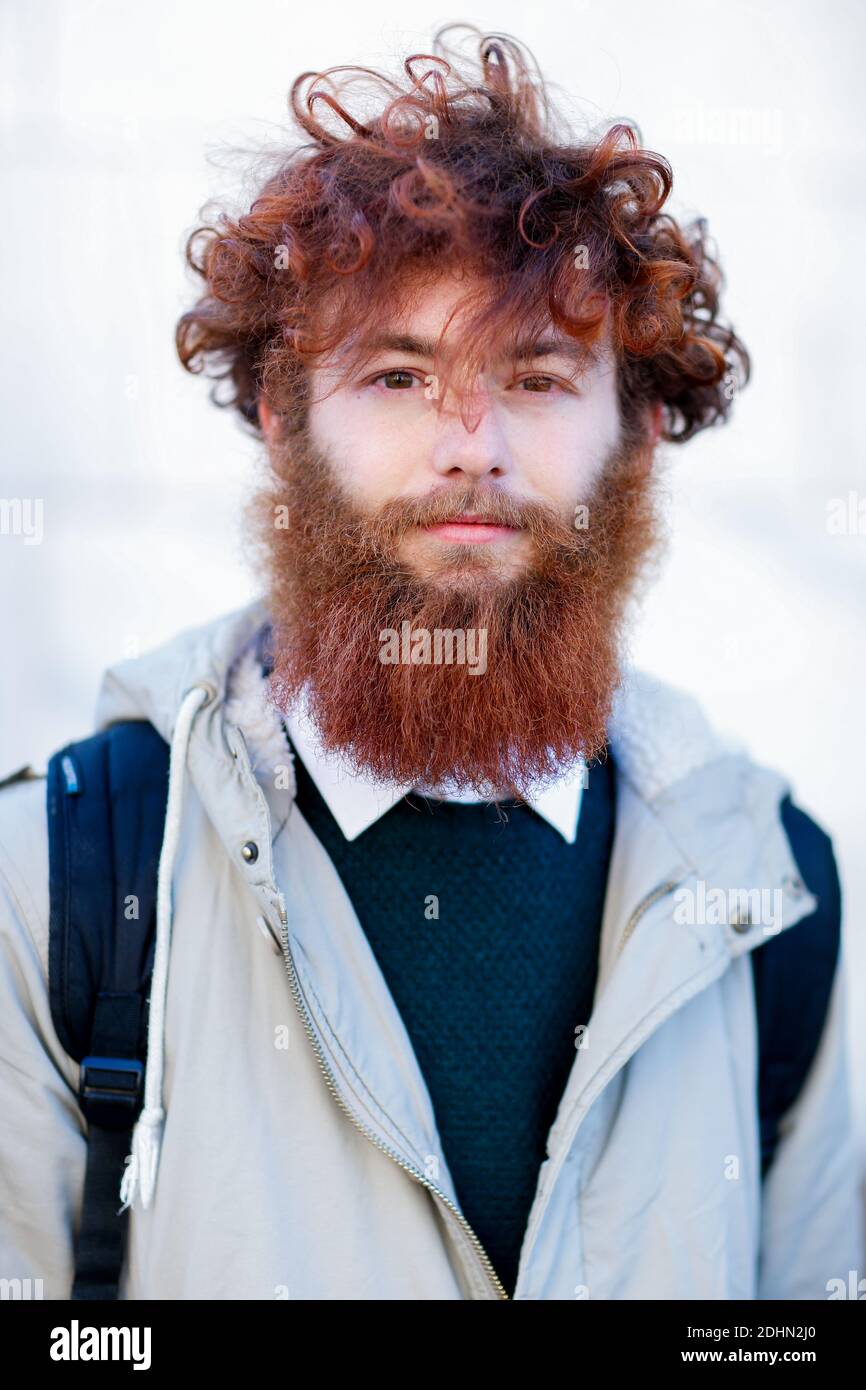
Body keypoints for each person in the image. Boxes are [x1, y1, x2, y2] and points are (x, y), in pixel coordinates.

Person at [0, 24, 862, 1301]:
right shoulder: (62, 884)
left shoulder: (766, 896)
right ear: (282, 422)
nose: (471, 445)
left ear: (638, 434)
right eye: (399, 374)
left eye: (535, 373)